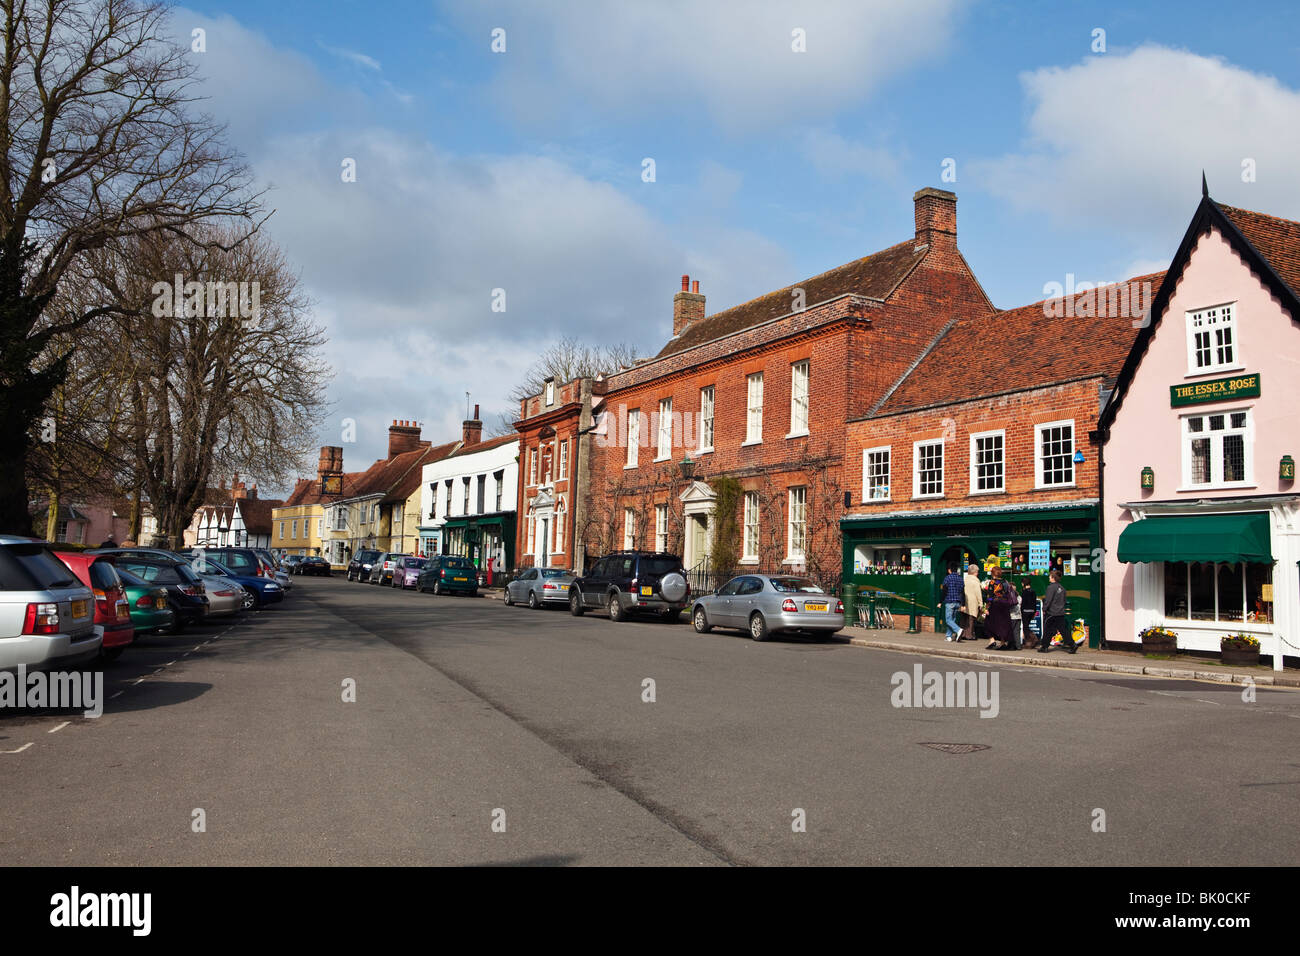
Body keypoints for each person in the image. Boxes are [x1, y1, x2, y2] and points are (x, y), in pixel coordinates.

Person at [1039, 569, 1072, 653]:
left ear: (1053, 578)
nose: (1049, 578)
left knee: (1047, 630)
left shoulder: (1050, 587)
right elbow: (1064, 601)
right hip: (1060, 613)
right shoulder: (1062, 588)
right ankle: (1072, 645)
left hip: (1051, 613)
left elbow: (1048, 600)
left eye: (1050, 576)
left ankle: (1044, 647)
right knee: (1063, 630)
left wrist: (1044, 609)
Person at [984, 568, 1016, 649]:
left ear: (993, 574)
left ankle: (992, 641)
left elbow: (990, 597)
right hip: (1005, 605)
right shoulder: (1005, 582)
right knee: (1003, 624)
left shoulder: (992, 582)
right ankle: (1002, 643)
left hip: (996, 605)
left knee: (988, 622)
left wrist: (987, 607)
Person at [940, 564, 964, 642]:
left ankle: (958, 630)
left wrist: (940, 601)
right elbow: (962, 592)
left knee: (948, 620)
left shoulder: (947, 578)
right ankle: (949, 636)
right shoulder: (960, 579)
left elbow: (944, 591)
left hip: (950, 602)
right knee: (952, 620)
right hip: (958, 602)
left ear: (949, 570)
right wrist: (963, 604)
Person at [960, 564, 984, 642]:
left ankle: (962, 634)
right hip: (973, 603)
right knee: (971, 619)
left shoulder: (964, 579)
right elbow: (978, 593)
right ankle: (969, 635)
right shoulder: (976, 581)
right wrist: (981, 603)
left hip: (964, 602)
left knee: (964, 618)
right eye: (977, 572)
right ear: (975, 572)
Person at [1019, 580, 1039, 649]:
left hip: (1025, 611)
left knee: (1025, 627)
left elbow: (1023, 603)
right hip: (1032, 611)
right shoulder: (1033, 591)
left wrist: (1021, 611)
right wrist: (1034, 612)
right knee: (1027, 626)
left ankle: (1032, 639)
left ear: (1024, 583)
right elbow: (1034, 602)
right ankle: (1031, 641)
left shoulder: (1024, 592)